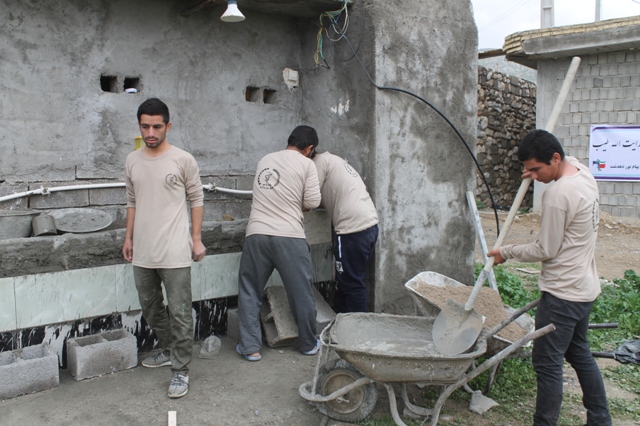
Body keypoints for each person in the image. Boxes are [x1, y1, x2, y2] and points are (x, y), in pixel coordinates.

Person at [487, 129, 611, 426]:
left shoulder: (558, 194)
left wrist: (507, 251)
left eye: (536, 169)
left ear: (555, 158)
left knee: (547, 363)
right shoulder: (582, 174)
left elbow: (546, 248)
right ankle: (600, 419)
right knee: (579, 353)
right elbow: (565, 163)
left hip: (562, 294)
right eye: (527, 170)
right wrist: (536, 171)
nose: (532, 176)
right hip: (585, 288)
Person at [122, 98, 206, 399]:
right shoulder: (132, 161)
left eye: (157, 126)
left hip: (174, 249)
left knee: (181, 312)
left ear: (168, 126)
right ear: (140, 126)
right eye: (145, 126)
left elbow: (196, 199)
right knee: (150, 306)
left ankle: (181, 371)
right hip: (142, 249)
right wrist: (129, 238)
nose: (151, 132)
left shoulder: (183, 159)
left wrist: (196, 239)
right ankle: (169, 349)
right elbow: (132, 201)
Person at [236, 125, 322, 361]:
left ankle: (250, 348)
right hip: (290, 237)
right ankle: (308, 344)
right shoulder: (307, 165)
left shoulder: (265, 159)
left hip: (257, 234)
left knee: (249, 290)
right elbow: (313, 200)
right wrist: (298, 205)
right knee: (300, 292)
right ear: (310, 148)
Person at [311, 151, 378, 313]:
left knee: (351, 283)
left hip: (351, 230)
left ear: (308, 151)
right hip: (369, 225)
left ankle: (358, 331)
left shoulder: (318, 163)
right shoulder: (335, 160)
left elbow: (310, 198)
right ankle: (339, 318)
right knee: (347, 279)